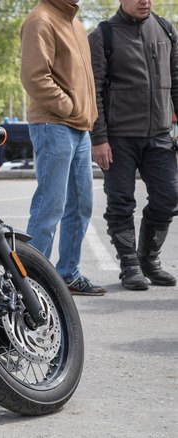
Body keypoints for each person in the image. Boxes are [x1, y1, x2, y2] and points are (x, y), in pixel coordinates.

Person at [88, 0, 178, 290]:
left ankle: (148, 260)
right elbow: (95, 91)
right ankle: (129, 267)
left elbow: (176, 82)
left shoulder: (166, 29)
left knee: (168, 198)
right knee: (120, 203)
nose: (145, 1)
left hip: (160, 134)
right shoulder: (103, 35)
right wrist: (99, 138)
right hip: (118, 138)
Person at [20, 0, 107, 296]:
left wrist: (86, 115)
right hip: (53, 124)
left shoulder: (75, 23)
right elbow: (34, 77)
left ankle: (67, 274)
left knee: (82, 205)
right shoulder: (41, 19)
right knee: (50, 206)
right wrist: (69, 107)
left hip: (79, 127)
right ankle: (28, 283)